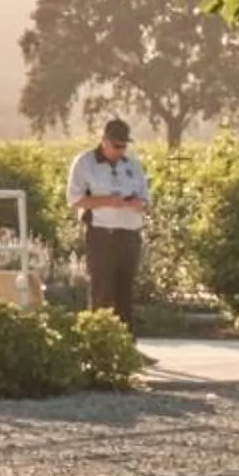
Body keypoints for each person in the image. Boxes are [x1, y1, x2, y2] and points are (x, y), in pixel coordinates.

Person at [66, 116, 151, 327]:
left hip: (129, 233)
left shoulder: (132, 165)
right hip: (102, 234)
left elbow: (146, 199)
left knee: (125, 292)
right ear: (104, 141)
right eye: (116, 145)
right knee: (102, 291)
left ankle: (127, 346)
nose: (120, 150)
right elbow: (75, 199)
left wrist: (137, 203)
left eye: (124, 146)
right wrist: (108, 201)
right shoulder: (85, 163)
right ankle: (99, 341)